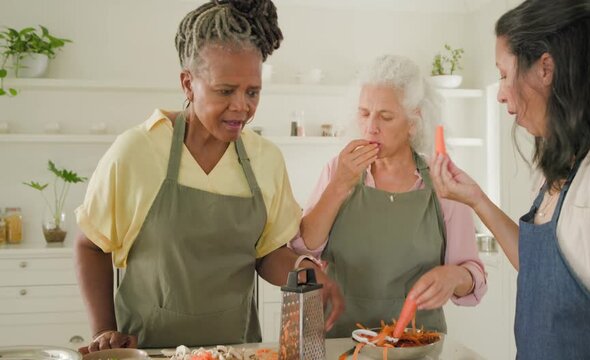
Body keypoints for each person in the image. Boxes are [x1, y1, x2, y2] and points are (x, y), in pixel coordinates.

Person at [74, 0, 343, 351]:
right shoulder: (136, 152)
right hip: (149, 350)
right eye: (225, 91)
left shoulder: (265, 159)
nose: (241, 106)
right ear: (188, 84)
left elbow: (265, 253)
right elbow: (90, 245)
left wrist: (306, 271)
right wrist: (103, 331)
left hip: (236, 351)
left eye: (252, 92)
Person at [430, 1, 590, 358]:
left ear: (545, 68)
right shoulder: (567, 154)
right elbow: (544, 271)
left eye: (504, 74)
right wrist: (476, 199)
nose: (500, 93)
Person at [290, 55, 487, 338]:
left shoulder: (443, 182)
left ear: (413, 122)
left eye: (385, 116)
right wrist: (339, 186)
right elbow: (302, 248)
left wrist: (454, 276)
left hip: (419, 345)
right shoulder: (338, 170)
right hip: (341, 343)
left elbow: (473, 276)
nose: (371, 126)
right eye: (364, 112)